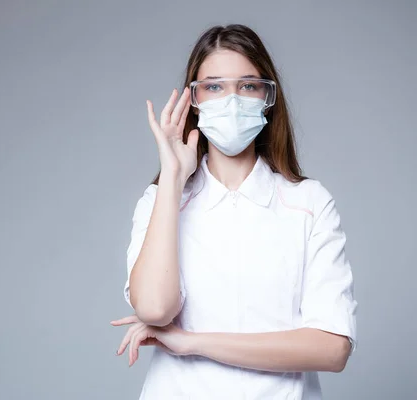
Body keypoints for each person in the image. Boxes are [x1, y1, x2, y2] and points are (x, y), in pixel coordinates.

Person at [110, 24, 358, 400]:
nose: (231, 100)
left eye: (247, 86)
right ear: (193, 100)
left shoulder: (309, 203)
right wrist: (173, 178)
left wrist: (193, 342)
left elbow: (332, 348)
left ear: (267, 96)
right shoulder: (161, 201)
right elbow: (156, 308)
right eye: (214, 86)